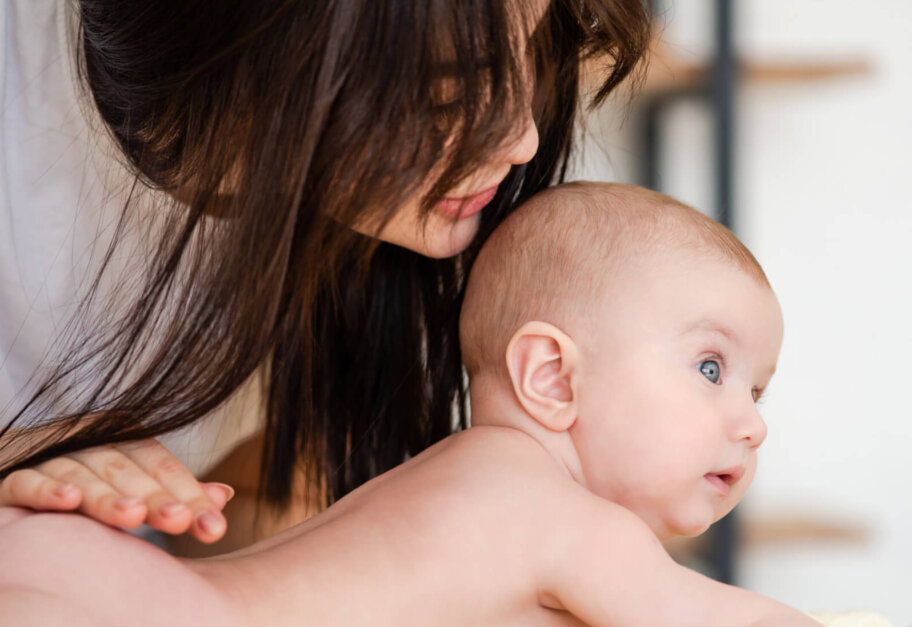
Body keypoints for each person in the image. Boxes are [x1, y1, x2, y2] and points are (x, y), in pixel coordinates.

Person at [1, 182, 912, 627]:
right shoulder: (565, 523)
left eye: (759, 388)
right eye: (710, 366)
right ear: (553, 378)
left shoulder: (470, 478)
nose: (750, 422)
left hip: (100, 588)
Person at [0, 0, 651, 552]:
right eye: (448, 90)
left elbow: (257, 500)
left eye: (529, 51)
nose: (522, 139)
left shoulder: (388, 239)